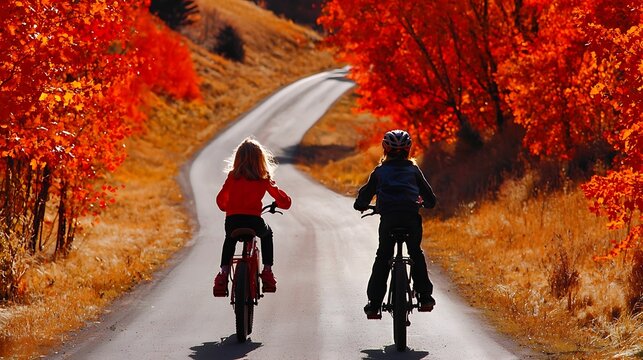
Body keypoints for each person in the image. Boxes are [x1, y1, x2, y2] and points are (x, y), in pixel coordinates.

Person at [353, 129, 437, 318]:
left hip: (389, 219)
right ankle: (425, 297)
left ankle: (374, 304)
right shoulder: (413, 170)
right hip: (410, 218)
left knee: (383, 256)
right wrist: (427, 203)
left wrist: (361, 205)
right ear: (408, 150)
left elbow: (364, 196)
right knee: (415, 253)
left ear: (385, 149)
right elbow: (430, 198)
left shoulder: (380, 172)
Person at [213, 137, 292, 297]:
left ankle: (223, 274)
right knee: (267, 234)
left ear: (238, 158)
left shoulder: (232, 177)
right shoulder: (263, 178)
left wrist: (226, 207)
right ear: (260, 159)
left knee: (229, 239)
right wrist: (281, 201)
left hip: (233, 220)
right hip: (254, 221)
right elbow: (285, 202)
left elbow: (221, 200)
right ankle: (267, 272)